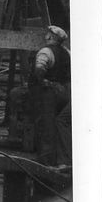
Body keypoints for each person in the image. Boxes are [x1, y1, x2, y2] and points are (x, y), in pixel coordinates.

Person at [29, 25, 71, 166]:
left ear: (51, 37)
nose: (46, 36)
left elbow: (39, 70)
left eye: (48, 34)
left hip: (50, 94)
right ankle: (61, 159)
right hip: (65, 93)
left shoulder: (45, 51)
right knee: (59, 123)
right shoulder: (67, 52)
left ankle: (46, 162)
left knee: (47, 126)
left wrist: (42, 82)